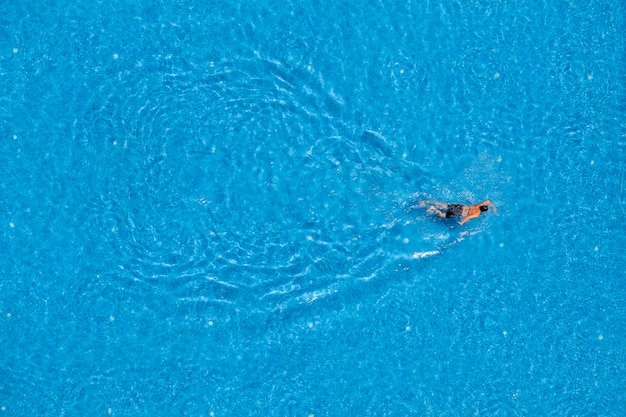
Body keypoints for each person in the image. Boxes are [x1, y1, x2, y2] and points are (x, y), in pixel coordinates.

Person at [421, 199, 497, 225]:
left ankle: (425, 202)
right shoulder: (477, 214)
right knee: (442, 215)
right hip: (459, 213)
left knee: (443, 205)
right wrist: (462, 222)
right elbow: (469, 217)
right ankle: (433, 209)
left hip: (460, 207)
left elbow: (489, 201)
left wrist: (493, 206)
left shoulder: (478, 205)